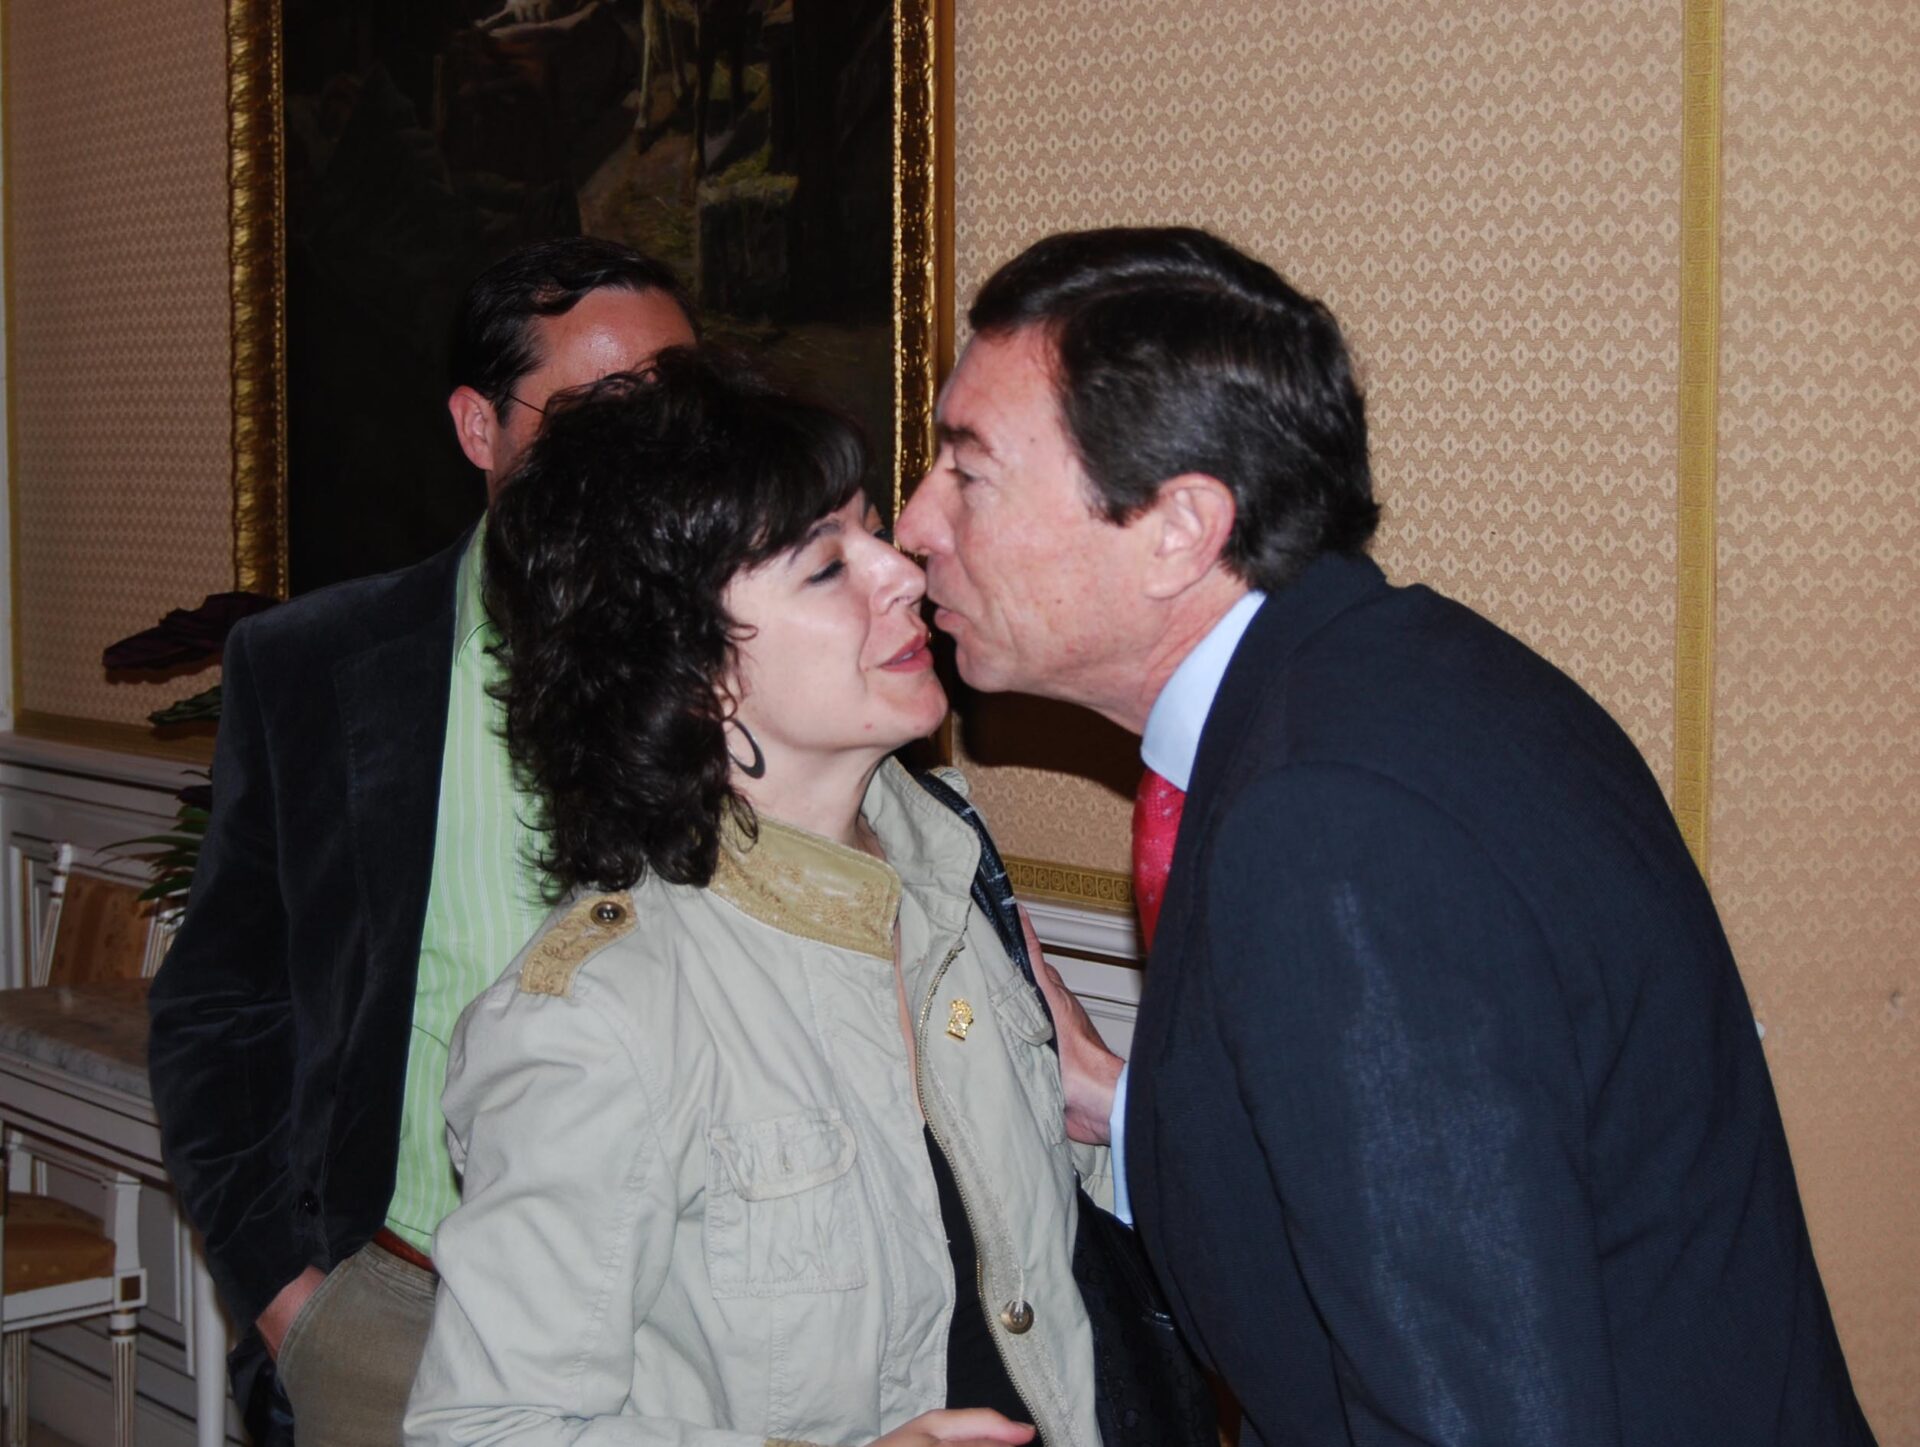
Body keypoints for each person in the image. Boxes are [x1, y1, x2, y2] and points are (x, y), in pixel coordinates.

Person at [893, 226, 1877, 1447]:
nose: (917, 520)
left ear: (1179, 527)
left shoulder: (1333, 826)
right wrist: (1134, 1108)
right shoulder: (1402, 677)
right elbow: (1436, 1170)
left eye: (968, 469)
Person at [404, 351, 1106, 1447]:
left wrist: (1119, 1114)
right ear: (696, 676)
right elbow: (482, 1429)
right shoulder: (600, 1019)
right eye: (827, 566)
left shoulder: (947, 877)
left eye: (873, 531)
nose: (903, 572)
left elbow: (1040, 1267)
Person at [147, 237, 697, 1445]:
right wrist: (291, 1298)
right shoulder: (314, 666)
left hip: (695, 1326)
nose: (650, 445)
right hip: (398, 1319)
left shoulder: (769, 655)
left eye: (675, 403)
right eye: (600, 410)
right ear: (477, 426)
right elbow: (220, 1004)